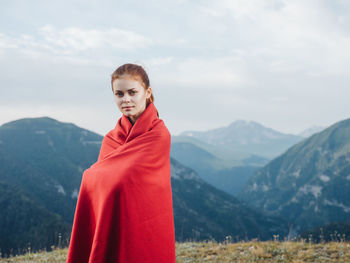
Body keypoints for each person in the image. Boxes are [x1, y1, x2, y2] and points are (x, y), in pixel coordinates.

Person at [66, 63, 176, 262]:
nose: (126, 99)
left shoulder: (159, 135)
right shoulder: (111, 138)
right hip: (113, 215)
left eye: (132, 92)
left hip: (146, 219)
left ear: (147, 92)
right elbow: (103, 182)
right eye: (119, 94)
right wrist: (96, 177)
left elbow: (119, 177)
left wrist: (93, 176)